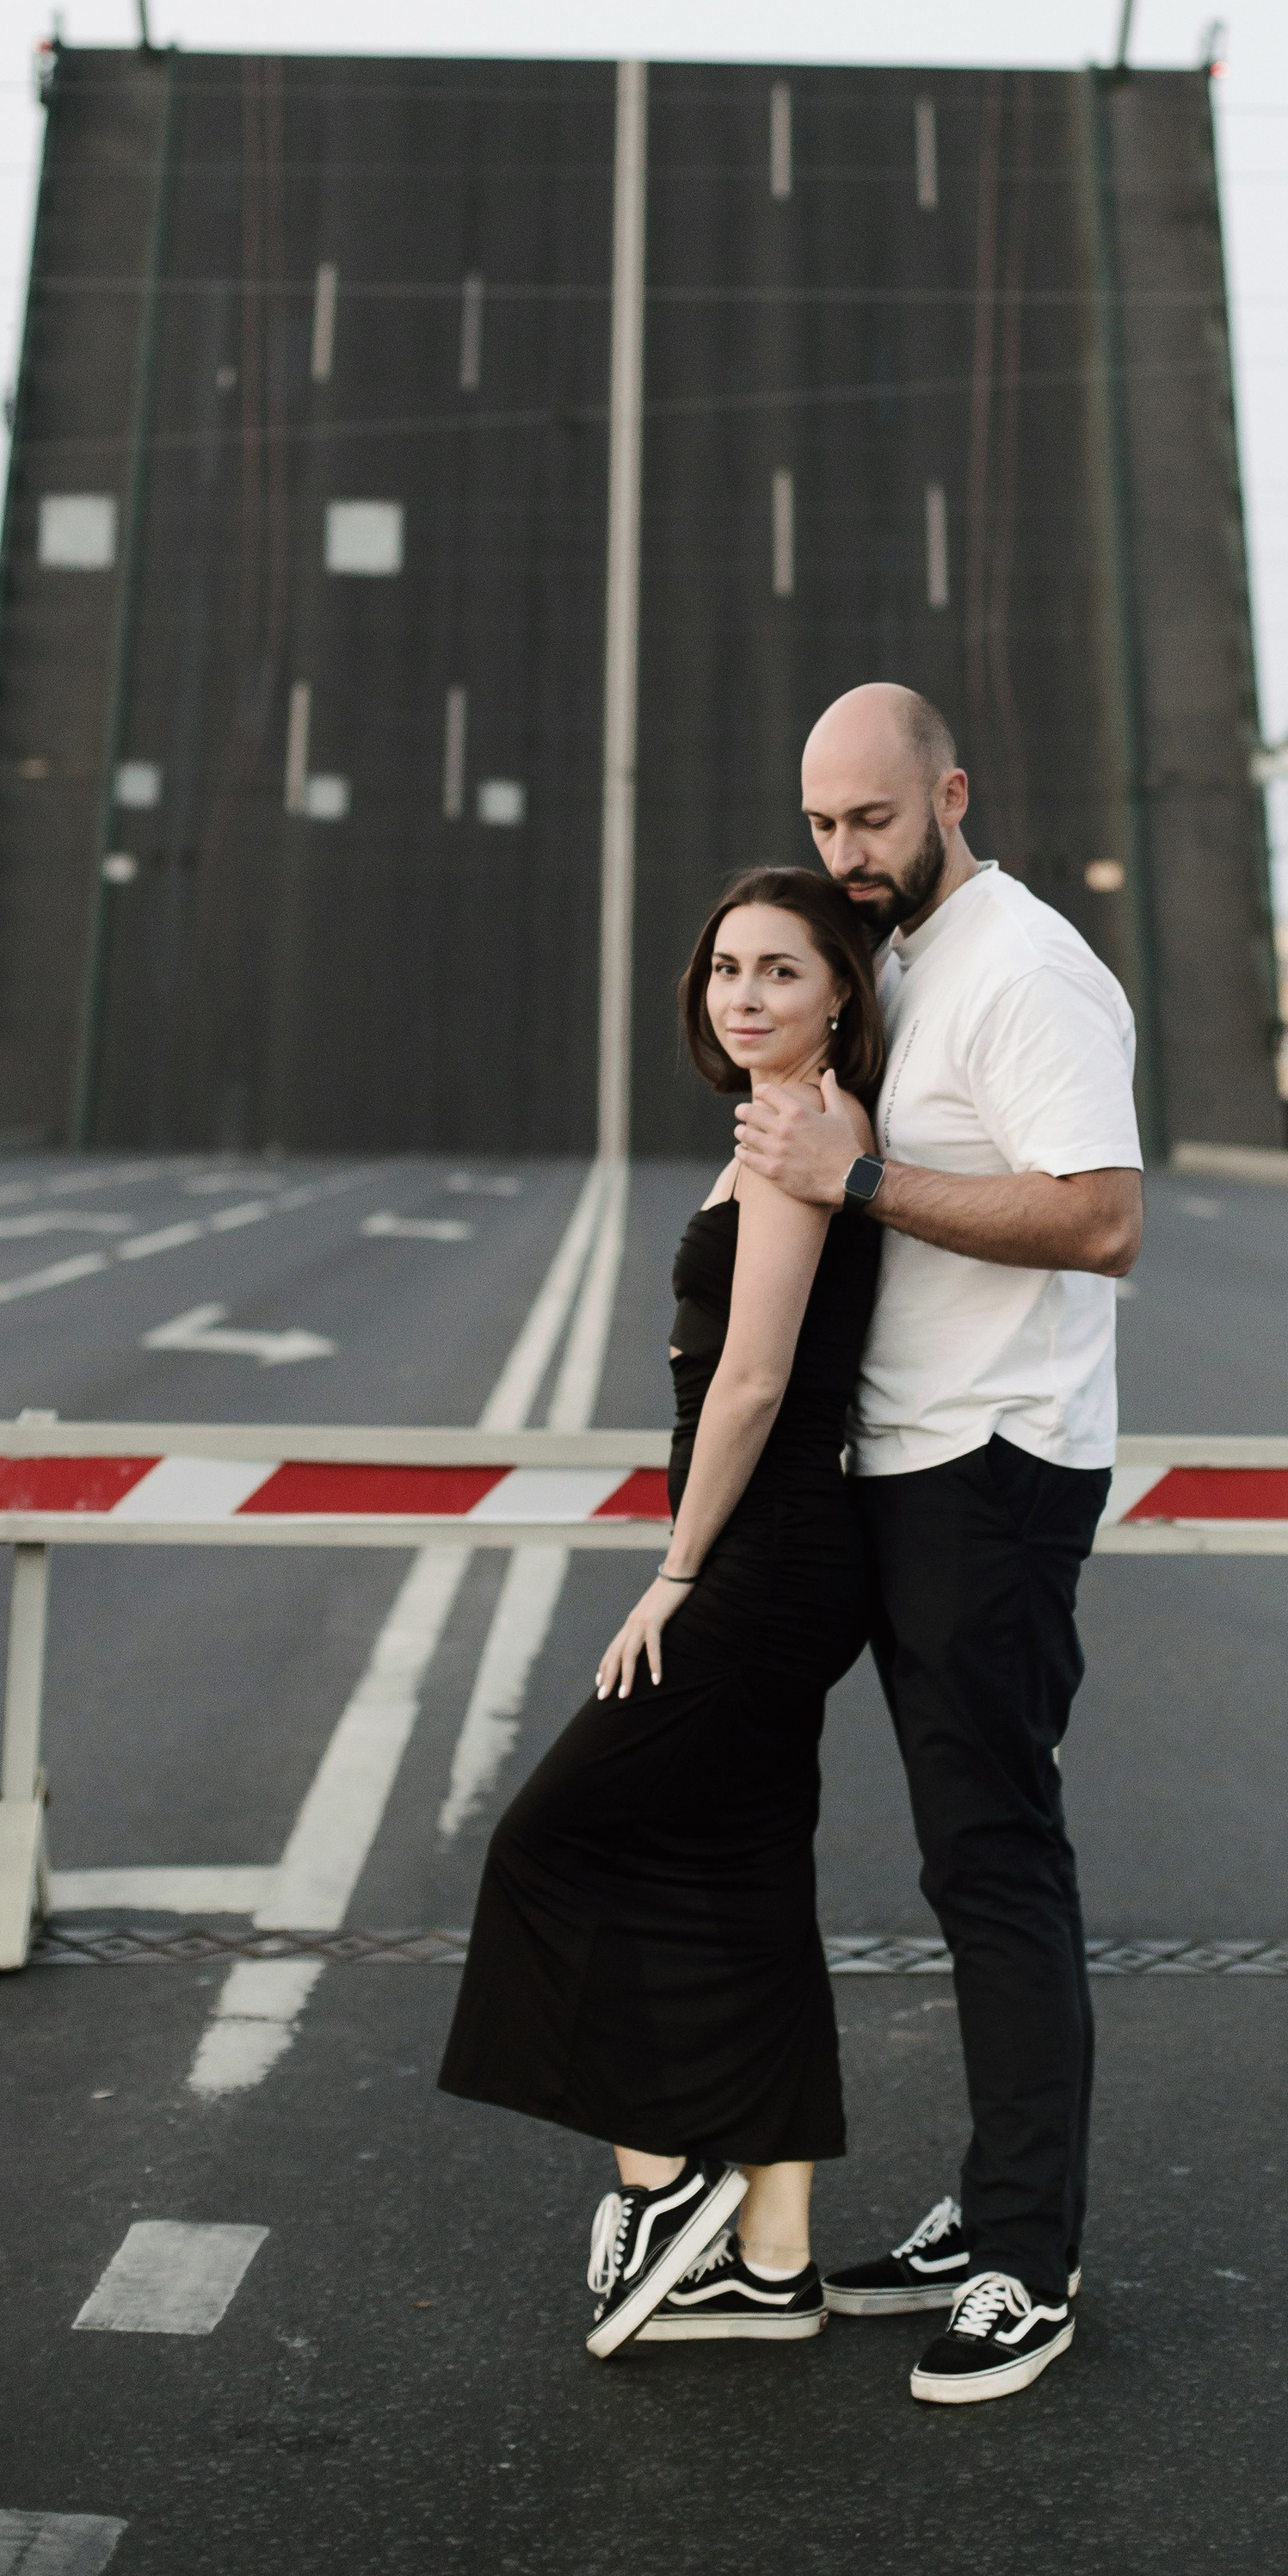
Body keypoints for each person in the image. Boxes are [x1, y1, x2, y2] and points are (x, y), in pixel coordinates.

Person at [736, 683, 1143, 2407]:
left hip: (992, 1470)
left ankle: (1027, 2264)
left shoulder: (1025, 968)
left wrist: (863, 1185)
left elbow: (1100, 1217)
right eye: (824, 827)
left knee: (996, 1863)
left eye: (872, 824)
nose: (844, 857)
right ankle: (989, 2210)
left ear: (949, 796)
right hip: (908, 1465)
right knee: (955, 1864)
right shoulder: (898, 958)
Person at [438, 866, 888, 2360]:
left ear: (839, 993)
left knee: (551, 1843)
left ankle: (667, 2168)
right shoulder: (783, 1129)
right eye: (725, 970)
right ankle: (773, 2264)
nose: (743, 995)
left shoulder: (804, 1136)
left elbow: (753, 1376)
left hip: (760, 1559)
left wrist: (680, 1569)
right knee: (745, 1884)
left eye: (779, 971)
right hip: (786, 1549)